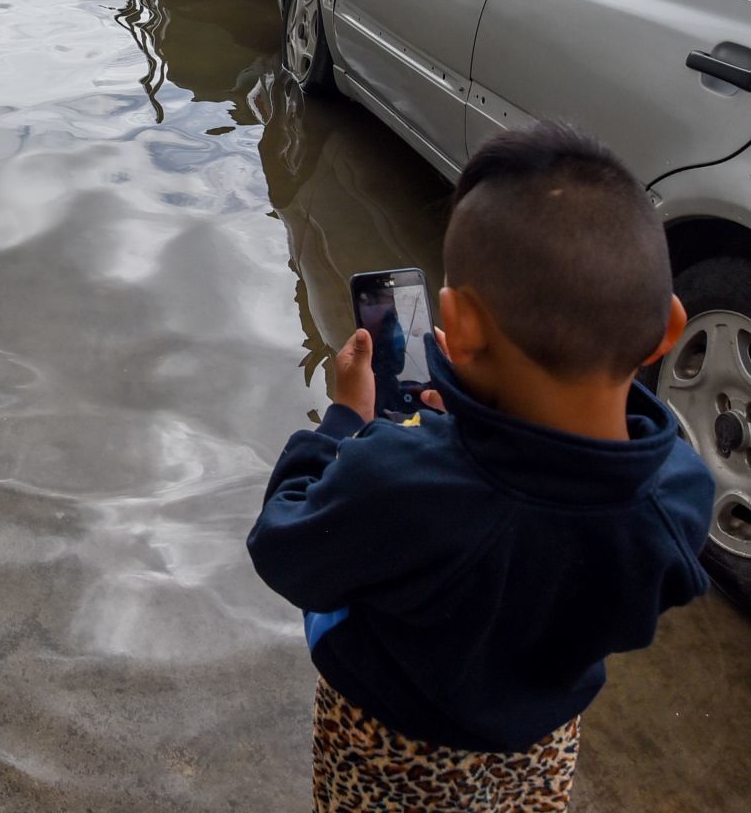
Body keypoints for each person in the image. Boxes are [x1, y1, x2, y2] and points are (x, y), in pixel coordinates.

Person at [247, 122, 713, 812]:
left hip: (387, 752)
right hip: (540, 741)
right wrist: (474, 411)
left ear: (454, 327)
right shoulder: (678, 489)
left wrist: (347, 421)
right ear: (667, 328)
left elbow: (284, 547)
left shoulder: (398, 476)